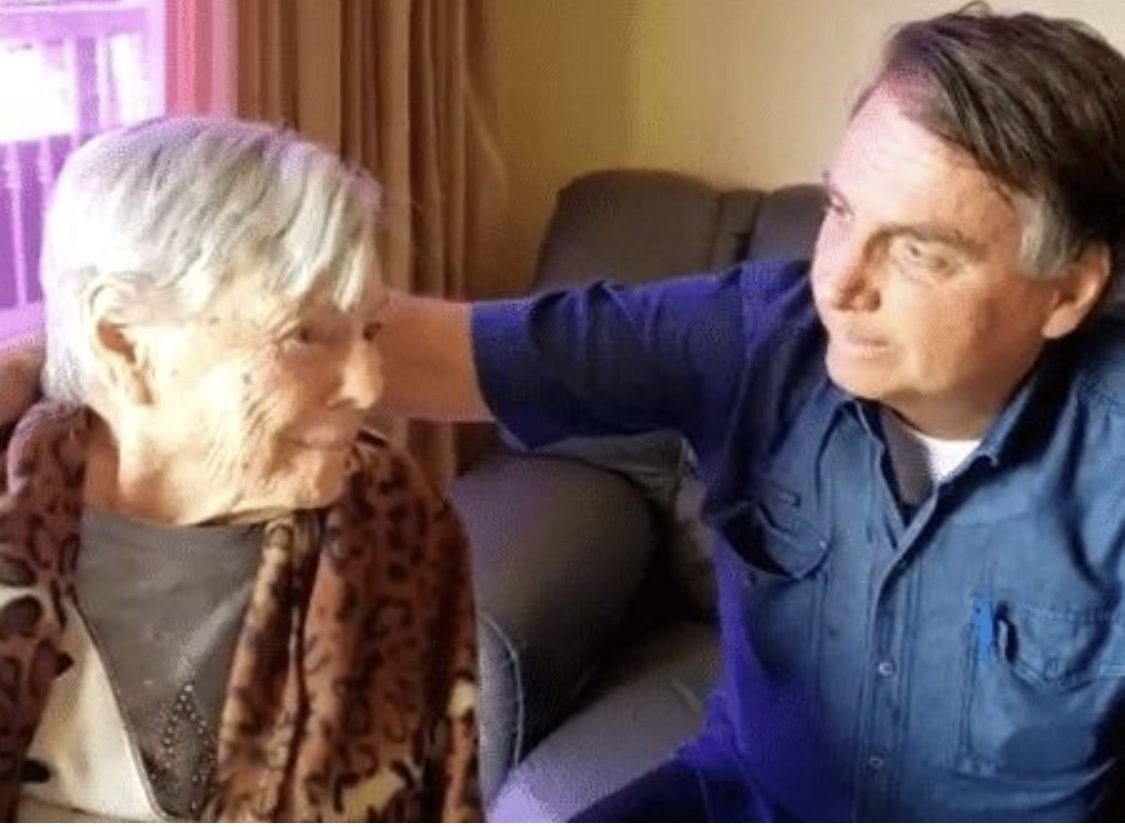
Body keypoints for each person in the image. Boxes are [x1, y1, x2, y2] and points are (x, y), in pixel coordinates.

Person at [5, 5, 1125, 823]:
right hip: (740, 803)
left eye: (918, 251)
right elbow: (408, 343)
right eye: (838, 210)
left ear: (1067, 289)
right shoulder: (760, 333)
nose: (839, 280)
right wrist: (69, 347)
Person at [0, 117, 481, 821]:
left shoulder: (391, 517)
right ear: (123, 343)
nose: (369, 383)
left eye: (370, 330)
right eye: (304, 334)